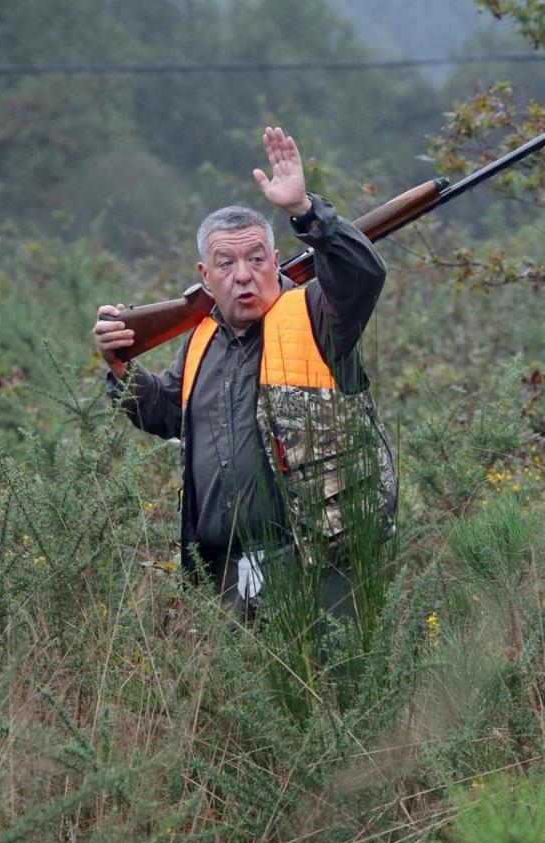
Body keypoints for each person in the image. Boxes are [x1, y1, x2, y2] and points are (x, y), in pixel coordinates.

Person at [93, 126, 395, 617]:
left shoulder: (317, 316)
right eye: (226, 262)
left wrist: (305, 211)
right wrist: (119, 364)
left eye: (256, 259)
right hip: (226, 579)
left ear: (276, 261)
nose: (242, 274)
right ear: (204, 277)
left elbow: (364, 276)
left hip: (321, 573)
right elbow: (165, 413)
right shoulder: (201, 341)